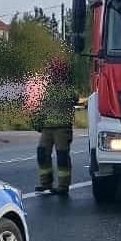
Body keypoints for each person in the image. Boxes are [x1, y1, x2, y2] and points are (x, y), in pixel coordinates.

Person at [31, 55, 78, 195]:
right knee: (41, 154)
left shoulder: (67, 89)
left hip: (62, 128)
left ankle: (63, 186)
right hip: (47, 128)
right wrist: (37, 123)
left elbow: (74, 98)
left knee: (62, 156)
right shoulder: (46, 89)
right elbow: (40, 108)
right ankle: (46, 183)